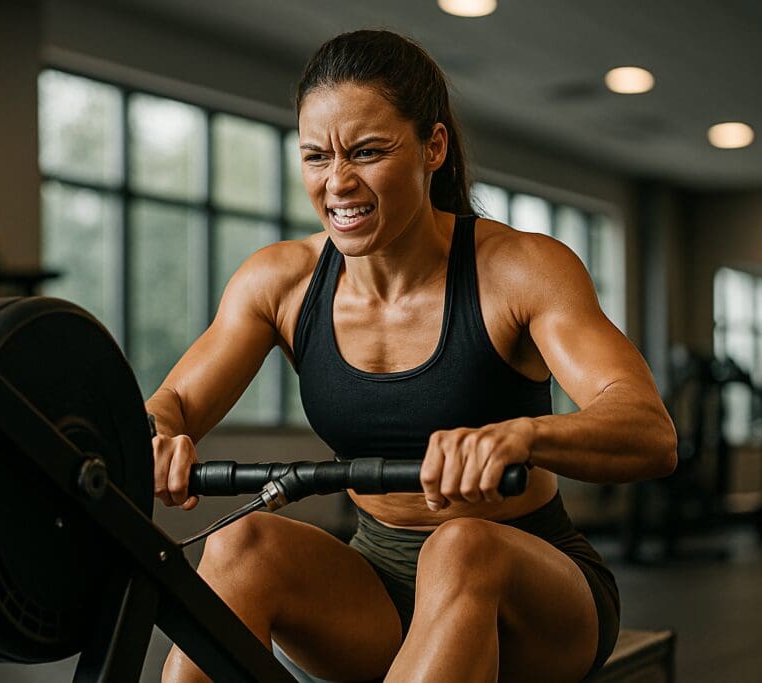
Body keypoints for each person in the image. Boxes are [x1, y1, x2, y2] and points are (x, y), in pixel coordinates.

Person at [147, 29, 677, 683]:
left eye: (368, 152)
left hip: (533, 589)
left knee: (462, 543)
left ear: (433, 146)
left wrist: (523, 435)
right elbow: (172, 404)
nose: (338, 182)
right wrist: (161, 435)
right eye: (316, 157)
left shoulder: (517, 269)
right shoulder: (278, 282)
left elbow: (649, 430)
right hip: (375, 584)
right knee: (239, 540)